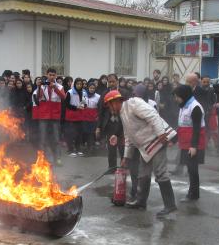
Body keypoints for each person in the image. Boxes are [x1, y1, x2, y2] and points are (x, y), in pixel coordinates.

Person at [104, 90, 178, 218]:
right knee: (143, 174)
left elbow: (153, 115)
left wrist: (160, 133)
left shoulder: (133, 103)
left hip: (158, 140)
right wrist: (126, 157)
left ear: (116, 101)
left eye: (109, 105)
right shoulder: (123, 113)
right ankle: (141, 202)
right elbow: (129, 137)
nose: (109, 109)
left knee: (160, 173)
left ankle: (170, 205)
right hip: (146, 146)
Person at [173, 85, 205, 201]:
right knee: (190, 169)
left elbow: (196, 129)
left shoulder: (195, 107)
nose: (176, 99)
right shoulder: (184, 105)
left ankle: (193, 194)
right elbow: (182, 126)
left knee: (192, 169)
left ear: (184, 95)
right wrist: (173, 139)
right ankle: (192, 192)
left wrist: (193, 146)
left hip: (193, 144)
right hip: (185, 142)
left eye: (177, 97)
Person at [33, 68, 66, 166]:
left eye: (53, 75)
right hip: (44, 115)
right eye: (50, 75)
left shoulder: (59, 86)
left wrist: (54, 87)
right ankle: (42, 160)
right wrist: (39, 87)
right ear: (47, 75)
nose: (51, 77)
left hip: (55, 116)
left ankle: (58, 159)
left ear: (56, 76)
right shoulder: (42, 86)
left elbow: (63, 97)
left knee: (56, 138)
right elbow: (38, 97)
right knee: (42, 138)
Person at [65, 78, 86, 156]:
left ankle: (78, 149)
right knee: (71, 134)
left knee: (79, 134)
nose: (79, 85)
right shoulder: (70, 92)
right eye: (78, 84)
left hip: (80, 116)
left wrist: (84, 106)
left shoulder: (83, 92)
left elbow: (85, 102)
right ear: (74, 84)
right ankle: (70, 150)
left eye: (81, 84)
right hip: (71, 116)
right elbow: (66, 104)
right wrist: (76, 107)